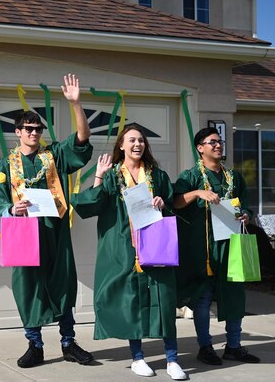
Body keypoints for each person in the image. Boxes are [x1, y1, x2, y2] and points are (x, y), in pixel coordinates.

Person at [0, 74, 94, 368]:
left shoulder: (54, 155)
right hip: (25, 234)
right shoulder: (5, 165)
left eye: (38, 128)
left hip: (54, 231)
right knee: (29, 287)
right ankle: (34, 344)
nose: (34, 132)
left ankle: (69, 342)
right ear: (17, 131)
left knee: (62, 283)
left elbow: (82, 140)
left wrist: (75, 103)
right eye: (29, 128)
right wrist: (10, 209)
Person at [70, 124, 187, 380]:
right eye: (131, 140)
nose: (137, 144)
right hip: (124, 248)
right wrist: (99, 175)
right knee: (130, 302)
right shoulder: (113, 176)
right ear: (121, 146)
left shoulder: (157, 175)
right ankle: (137, 357)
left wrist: (162, 202)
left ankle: (172, 359)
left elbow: (171, 202)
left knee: (164, 302)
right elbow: (90, 205)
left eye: (141, 140)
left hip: (155, 246)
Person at [173, 127, 260, 365]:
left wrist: (245, 215)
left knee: (235, 296)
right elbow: (176, 202)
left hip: (231, 246)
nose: (218, 145)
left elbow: (246, 207)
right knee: (202, 299)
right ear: (200, 148)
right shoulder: (190, 176)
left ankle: (234, 346)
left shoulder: (234, 177)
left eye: (219, 141)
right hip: (204, 250)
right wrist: (198, 192)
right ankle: (205, 347)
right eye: (212, 142)